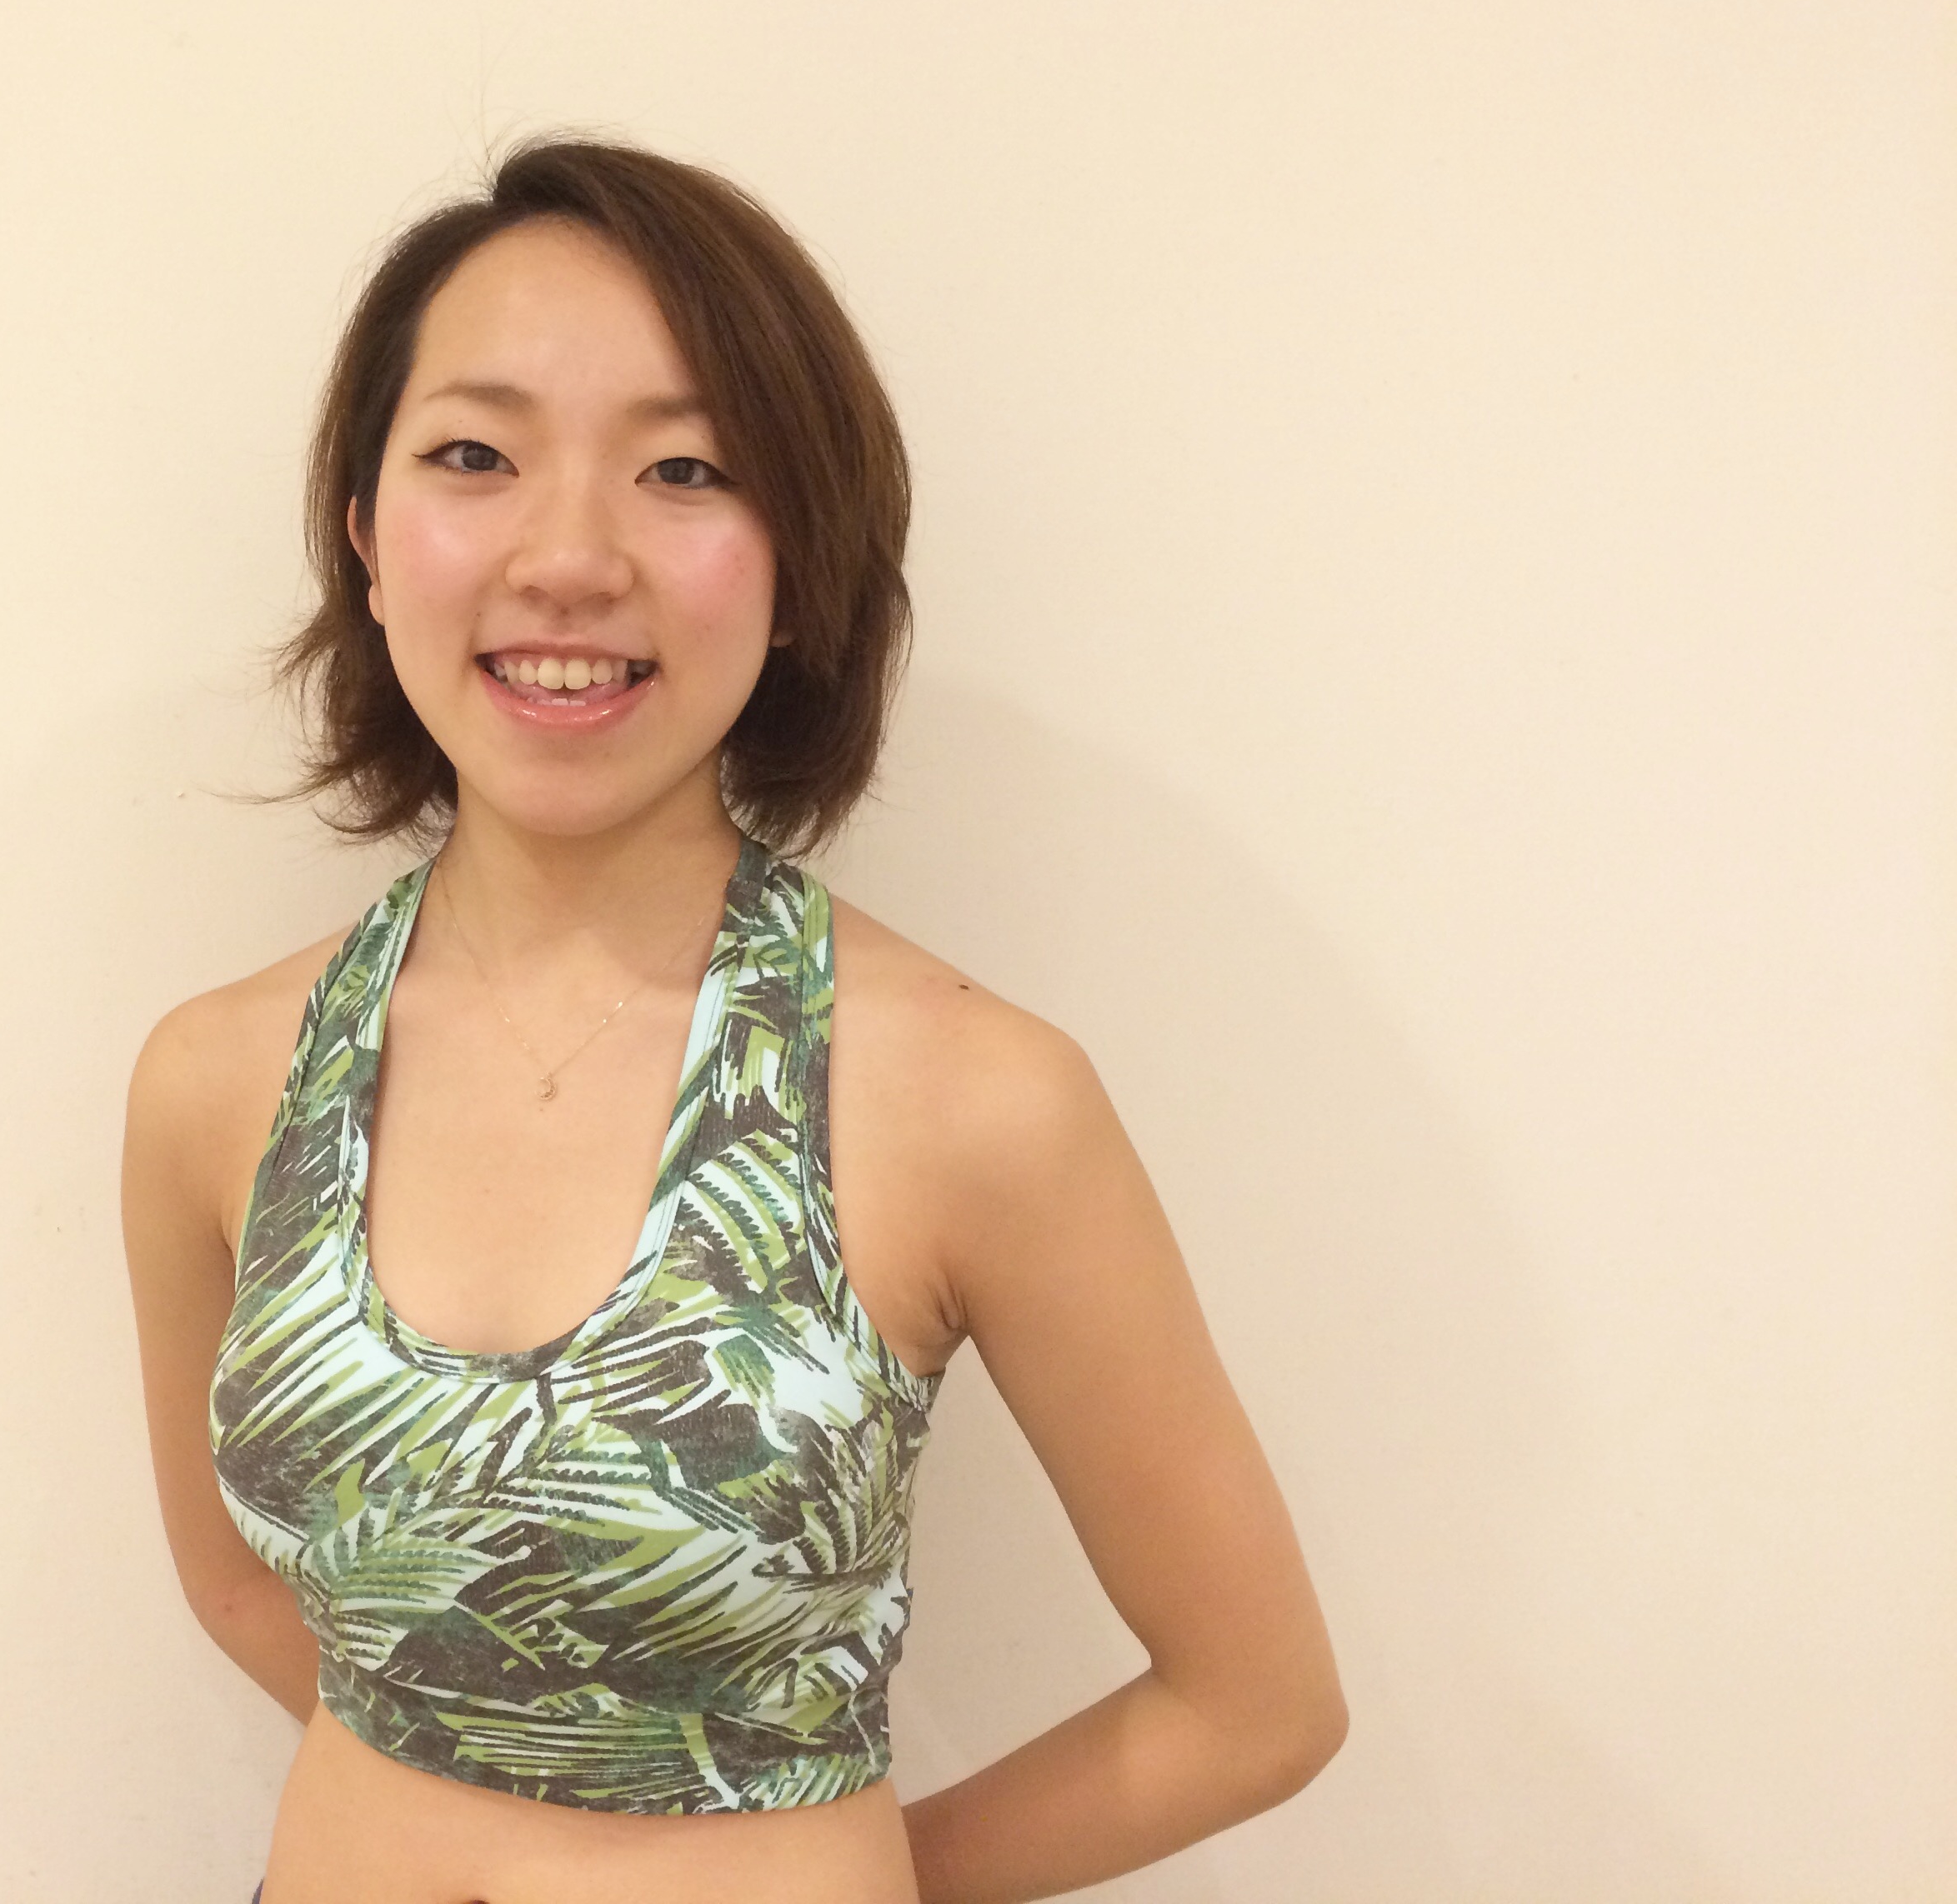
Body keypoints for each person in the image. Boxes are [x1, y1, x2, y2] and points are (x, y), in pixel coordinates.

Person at [121, 137, 1346, 1904]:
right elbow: (239, 1585)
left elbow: (1255, 1706)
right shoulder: (216, 1080)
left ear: (795, 564)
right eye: (476, 455)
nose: (569, 556)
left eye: (685, 469)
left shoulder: (973, 1098)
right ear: (370, 540)